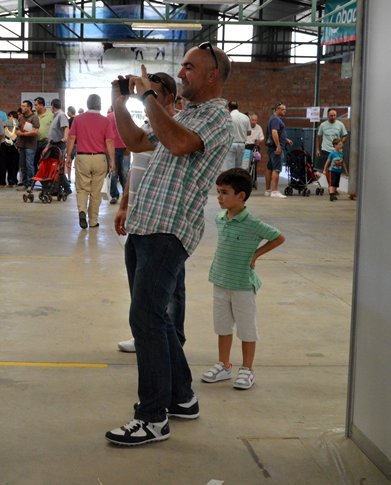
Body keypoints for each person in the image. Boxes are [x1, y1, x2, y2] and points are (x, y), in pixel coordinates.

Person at [106, 42, 233, 446]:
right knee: (155, 318)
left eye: (190, 67)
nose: (182, 74)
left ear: (212, 74)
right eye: (182, 66)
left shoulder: (215, 118)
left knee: (144, 318)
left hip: (169, 230)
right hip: (146, 226)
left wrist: (147, 96)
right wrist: (120, 104)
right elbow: (138, 144)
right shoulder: (188, 113)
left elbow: (177, 144)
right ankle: (181, 397)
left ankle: (152, 417)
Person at [114, 72, 183, 354]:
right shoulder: (147, 125)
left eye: (150, 94)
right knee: (140, 280)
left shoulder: (176, 127)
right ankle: (144, 333)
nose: (145, 100)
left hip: (165, 220)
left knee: (171, 287)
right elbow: (136, 167)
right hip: (140, 216)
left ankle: (172, 339)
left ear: (168, 97)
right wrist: (124, 204)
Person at [202, 168, 285, 390]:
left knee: (247, 329)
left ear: (241, 196)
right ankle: (224, 365)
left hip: (242, 285)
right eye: (218, 192)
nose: (219, 198)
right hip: (220, 281)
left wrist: (256, 254)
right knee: (222, 327)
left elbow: (278, 237)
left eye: (224, 192)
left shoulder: (252, 223)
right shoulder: (220, 218)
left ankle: (247, 369)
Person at [66, 94, 115, 229]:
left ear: (87, 104)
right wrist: (112, 160)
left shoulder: (78, 119)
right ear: (99, 105)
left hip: (82, 157)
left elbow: (71, 138)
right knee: (96, 192)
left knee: (82, 189)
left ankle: (82, 211)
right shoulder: (105, 121)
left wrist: (68, 156)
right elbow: (109, 141)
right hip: (100, 158)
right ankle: (93, 221)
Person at [265, 102, 293, 199]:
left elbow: (279, 133)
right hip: (275, 148)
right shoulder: (275, 119)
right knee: (276, 169)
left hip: (272, 148)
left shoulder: (274, 119)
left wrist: (286, 139)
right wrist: (278, 146)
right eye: (283, 109)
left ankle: (268, 190)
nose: (285, 111)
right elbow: (274, 132)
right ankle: (274, 191)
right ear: (277, 109)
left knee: (270, 168)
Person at [45, 99, 72, 195]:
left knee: (58, 168)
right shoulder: (56, 116)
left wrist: (65, 137)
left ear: (52, 106)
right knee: (53, 167)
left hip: (59, 144)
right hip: (53, 144)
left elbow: (66, 127)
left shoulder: (61, 115)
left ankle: (64, 188)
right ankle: (55, 187)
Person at [106, 106, 130, 204]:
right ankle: (114, 195)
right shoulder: (109, 117)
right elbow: (106, 134)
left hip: (124, 148)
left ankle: (125, 195)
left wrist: (129, 147)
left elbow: (130, 132)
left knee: (122, 173)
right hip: (113, 148)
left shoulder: (126, 116)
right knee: (115, 173)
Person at [16, 100, 40, 191]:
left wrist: (23, 134)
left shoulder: (34, 118)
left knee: (29, 164)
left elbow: (35, 131)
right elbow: (18, 129)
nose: (22, 108)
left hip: (30, 145)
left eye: (24, 106)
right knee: (23, 165)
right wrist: (18, 132)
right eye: (21, 106)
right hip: (22, 144)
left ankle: (31, 184)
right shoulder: (21, 118)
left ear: (29, 107)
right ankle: (25, 183)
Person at [224, 101, 251, 172]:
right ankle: (237, 182)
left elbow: (224, 131)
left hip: (231, 143)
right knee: (239, 167)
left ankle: (231, 182)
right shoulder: (245, 117)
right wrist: (241, 133)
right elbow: (249, 132)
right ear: (238, 107)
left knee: (230, 167)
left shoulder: (228, 117)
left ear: (228, 108)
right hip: (242, 144)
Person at [0, 111, 20, 187]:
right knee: (12, 164)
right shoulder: (19, 123)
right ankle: (12, 181)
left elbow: (0, 125)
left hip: (5, 144)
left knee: (2, 163)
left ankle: (2, 182)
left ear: (12, 116)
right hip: (14, 145)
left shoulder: (11, 121)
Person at [34, 97, 54, 175]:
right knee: (33, 161)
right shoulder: (34, 115)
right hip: (35, 142)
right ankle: (34, 179)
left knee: (47, 161)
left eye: (36, 105)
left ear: (41, 105)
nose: (34, 107)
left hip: (46, 142)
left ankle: (46, 180)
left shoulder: (51, 115)